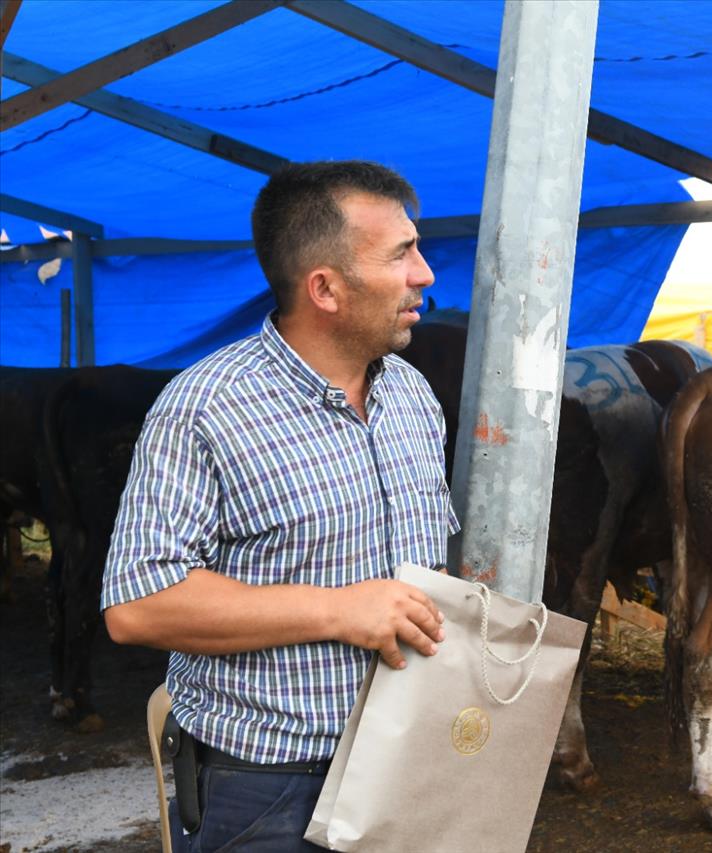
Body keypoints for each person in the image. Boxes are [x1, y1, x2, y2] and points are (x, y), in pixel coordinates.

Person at [101, 161, 459, 852]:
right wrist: (340, 608)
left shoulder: (410, 394)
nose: (425, 274)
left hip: (408, 762)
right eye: (401, 254)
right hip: (269, 789)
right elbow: (137, 605)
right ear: (324, 287)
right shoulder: (206, 406)